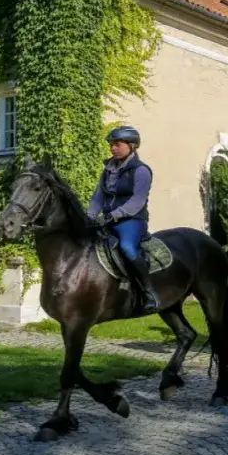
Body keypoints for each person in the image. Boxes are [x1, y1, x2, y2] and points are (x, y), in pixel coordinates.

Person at [87, 126, 159, 314]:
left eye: (117, 144)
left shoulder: (141, 171)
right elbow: (98, 197)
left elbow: (137, 201)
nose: (113, 148)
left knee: (127, 247)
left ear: (132, 146)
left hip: (132, 220)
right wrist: (90, 216)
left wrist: (113, 215)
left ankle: (148, 292)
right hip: (109, 220)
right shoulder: (108, 170)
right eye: (111, 145)